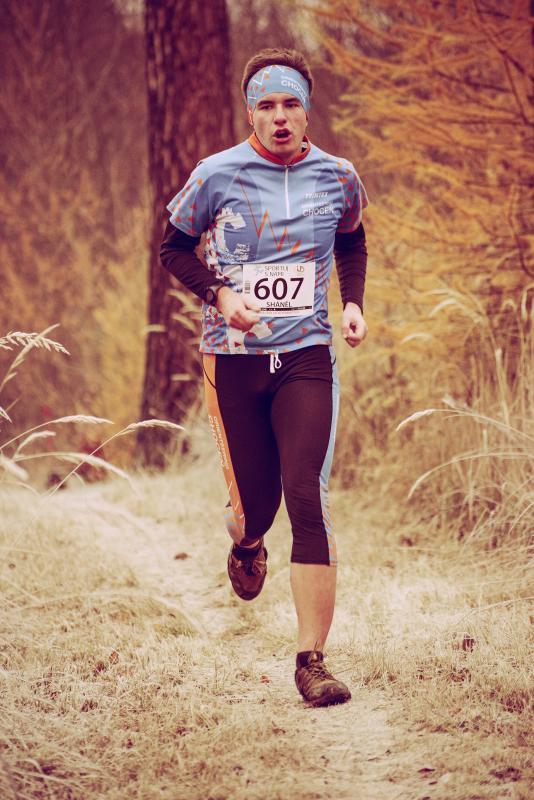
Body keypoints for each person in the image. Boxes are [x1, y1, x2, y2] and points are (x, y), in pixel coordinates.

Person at [160, 48, 368, 707]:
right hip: (234, 360)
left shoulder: (338, 176)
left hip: (306, 355)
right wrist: (221, 295)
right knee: (257, 508)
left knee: (307, 496)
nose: (280, 117)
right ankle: (248, 543)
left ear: (308, 110)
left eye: (291, 104)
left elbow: (351, 238)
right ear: (250, 112)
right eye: (267, 105)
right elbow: (172, 247)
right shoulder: (215, 174)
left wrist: (353, 303)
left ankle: (312, 660)